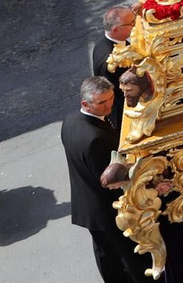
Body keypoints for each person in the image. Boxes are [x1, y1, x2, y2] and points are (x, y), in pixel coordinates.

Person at [62, 77, 147, 282]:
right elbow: (110, 182)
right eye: (101, 102)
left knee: (106, 253)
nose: (109, 105)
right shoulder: (95, 140)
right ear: (85, 104)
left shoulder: (70, 121)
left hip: (87, 202)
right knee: (127, 254)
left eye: (110, 98)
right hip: (105, 209)